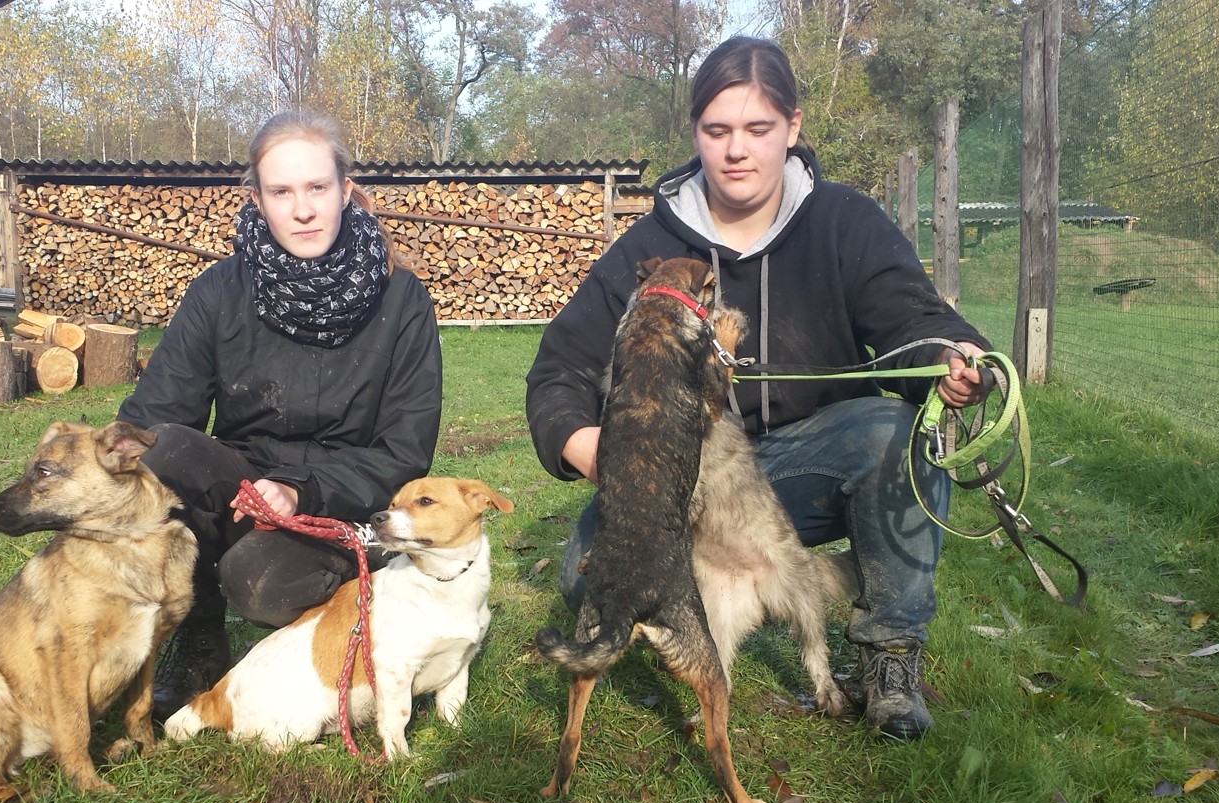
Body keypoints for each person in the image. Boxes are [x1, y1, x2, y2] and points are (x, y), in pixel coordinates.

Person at [525, 35, 990, 741]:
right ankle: (702, 619)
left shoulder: (845, 222)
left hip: (807, 464)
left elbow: (913, 322)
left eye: (757, 130)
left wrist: (957, 358)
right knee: (579, 577)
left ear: (793, 128)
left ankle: (890, 652)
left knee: (894, 432)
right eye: (717, 131)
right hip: (680, 477)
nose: (736, 150)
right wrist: (594, 450)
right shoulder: (646, 248)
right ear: (695, 134)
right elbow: (558, 369)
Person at [117, 109, 442, 721]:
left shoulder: (402, 301)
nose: (303, 209)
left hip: (346, 505)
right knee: (159, 449)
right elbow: (155, 418)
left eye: (317, 188)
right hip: (244, 491)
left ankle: (350, 615)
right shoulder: (220, 291)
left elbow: (405, 453)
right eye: (282, 191)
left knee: (263, 583)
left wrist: (303, 490)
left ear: (346, 192)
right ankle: (199, 631)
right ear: (258, 200)